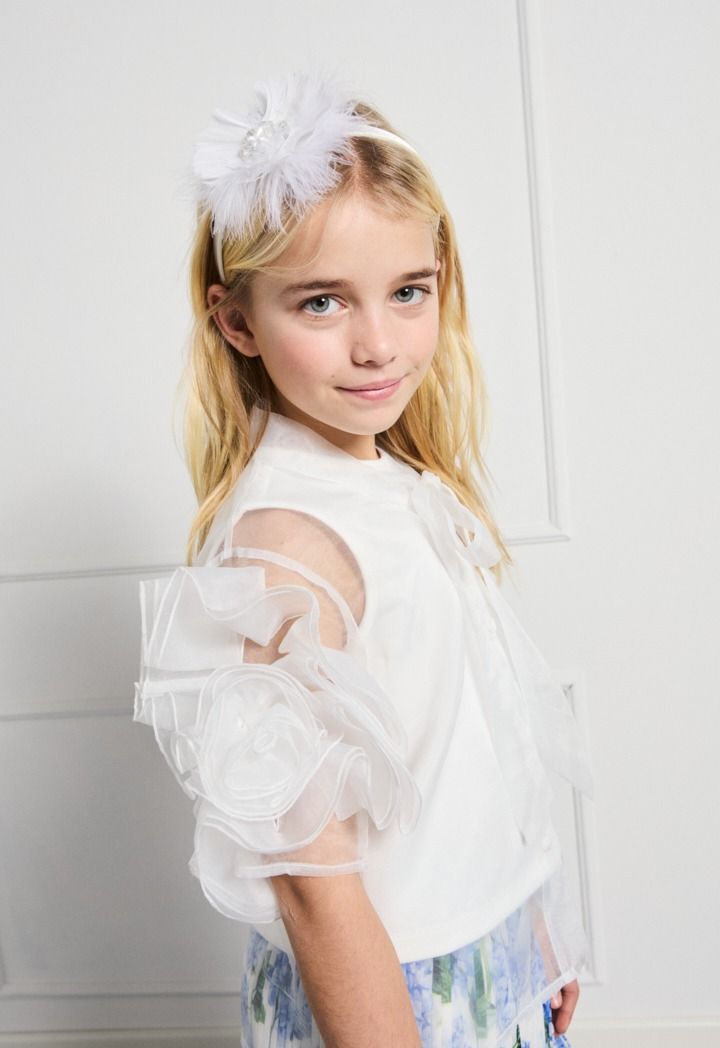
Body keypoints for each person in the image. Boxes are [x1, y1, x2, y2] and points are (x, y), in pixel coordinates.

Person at [133, 72, 593, 1048]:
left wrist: (528, 927)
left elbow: (469, 744)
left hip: (483, 955)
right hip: (394, 997)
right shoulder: (290, 548)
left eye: (408, 291)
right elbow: (315, 885)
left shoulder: (389, 483)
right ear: (236, 321)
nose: (379, 344)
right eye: (322, 303)